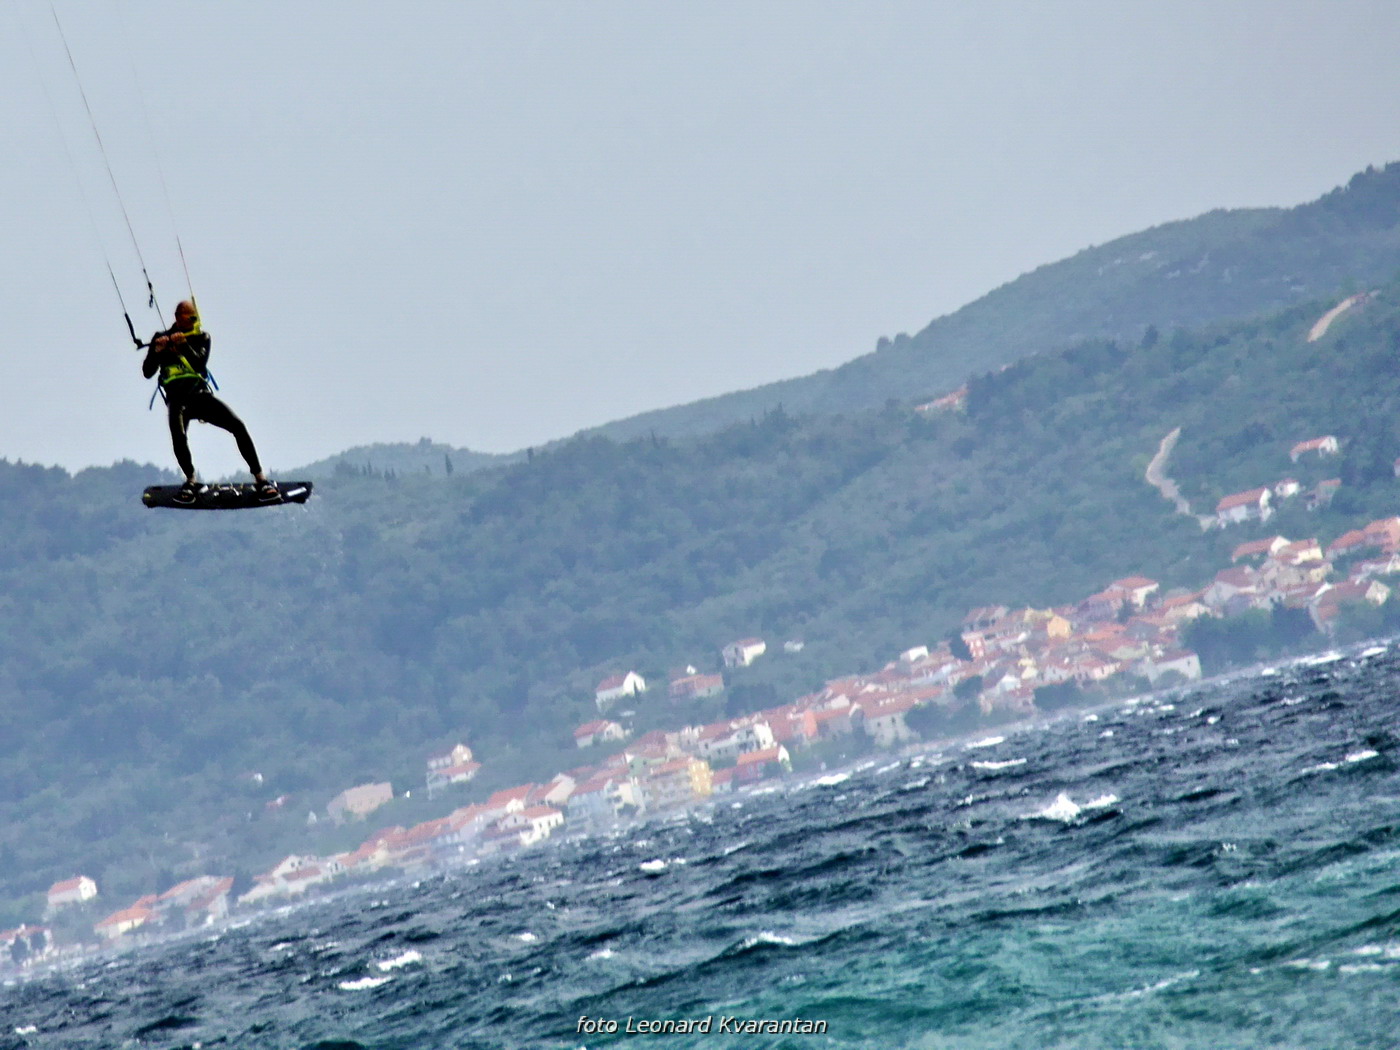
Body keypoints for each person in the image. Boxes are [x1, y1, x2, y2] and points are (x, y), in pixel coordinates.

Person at [142, 300, 277, 504]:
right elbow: (147, 372)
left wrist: (183, 345)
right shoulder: (160, 338)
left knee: (238, 426)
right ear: (179, 318)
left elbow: (198, 365)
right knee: (178, 436)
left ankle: (261, 478)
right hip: (177, 400)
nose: (193, 322)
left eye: (194, 318)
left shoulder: (201, 337)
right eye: (188, 318)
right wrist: (156, 351)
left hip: (199, 396)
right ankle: (190, 481)